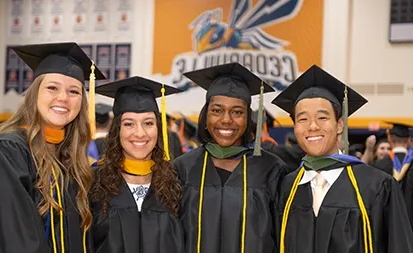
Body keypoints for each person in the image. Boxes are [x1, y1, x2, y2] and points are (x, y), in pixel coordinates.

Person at [0, 42, 106, 253]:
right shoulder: (9, 149)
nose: (63, 98)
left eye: (74, 91)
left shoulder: (70, 158)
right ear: (34, 93)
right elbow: (17, 240)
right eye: (52, 88)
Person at [273, 65, 413, 253]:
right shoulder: (286, 188)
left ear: (340, 125)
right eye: (303, 119)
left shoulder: (376, 186)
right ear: (295, 127)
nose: (313, 126)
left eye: (322, 117)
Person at [174, 62, 286, 253]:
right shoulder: (182, 168)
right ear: (205, 115)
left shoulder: (271, 170)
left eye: (237, 112)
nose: (226, 120)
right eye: (217, 110)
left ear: (248, 119)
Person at [89, 76, 185, 253]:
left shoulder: (175, 183)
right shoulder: (93, 183)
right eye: (129, 124)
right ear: (117, 130)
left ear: (158, 128)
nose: (139, 133)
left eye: (148, 123)